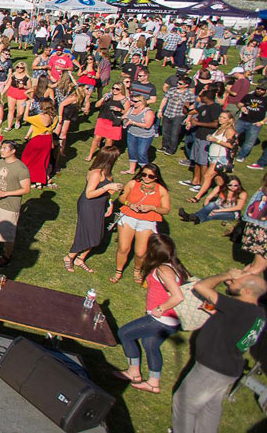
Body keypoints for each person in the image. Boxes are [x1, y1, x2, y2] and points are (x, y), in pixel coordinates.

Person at [171, 268, 267, 433]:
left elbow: (201, 286)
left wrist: (226, 274)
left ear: (247, 291)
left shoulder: (238, 307)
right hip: (229, 369)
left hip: (212, 369)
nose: (229, 282)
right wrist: (216, 309)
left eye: (235, 281)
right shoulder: (259, 313)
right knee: (210, 408)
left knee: (184, 403)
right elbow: (234, 323)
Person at [112, 233, 188, 394]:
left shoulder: (163, 270)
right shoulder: (174, 265)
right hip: (172, 321)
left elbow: (178, 296)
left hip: (161, 319)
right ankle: (154, 383)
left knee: (124, 333)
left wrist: (160, 309)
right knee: (150, 345)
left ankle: (133, 372)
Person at [65, 146, 123, 273]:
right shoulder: (96, 173)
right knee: (86, 232)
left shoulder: (108, 173)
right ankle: (70, 256)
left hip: (99, 205)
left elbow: (107, 193)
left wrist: (109, 203)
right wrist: (107, 187)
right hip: (89, 205)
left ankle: (81, 258)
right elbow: (89, 194)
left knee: (97, 234)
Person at [111, 163, 171, 284]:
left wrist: (152, 208)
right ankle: (118, 271)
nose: (146, 178)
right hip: (128, 217)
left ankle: (137, 270)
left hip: (147, 221)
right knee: (123, 247)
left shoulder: (161, 190)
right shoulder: (133, 184)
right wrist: (130, 204)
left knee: (140, 252)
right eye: (144, 174)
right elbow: (122, 198)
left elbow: (166, 210)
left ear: (156, 177)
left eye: (150, 176)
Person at [0, 141, 30, 267]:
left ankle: (7, 256)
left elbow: (26, 189)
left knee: (7, 234)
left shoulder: (21, 168)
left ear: (13, 151)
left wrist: (6, 193)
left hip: (10, 206)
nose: (1, 150)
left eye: (4, 148)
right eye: (1, 148)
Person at [180, 176, 247, 232]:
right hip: (218, 206)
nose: (233, 187)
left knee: (212, 214)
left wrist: (217, 211)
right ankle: (195, 218)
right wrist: (206, 209)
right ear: (226, 184)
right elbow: (208, 198)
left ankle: (191, 217)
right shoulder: (220, 188)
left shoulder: (242, 193)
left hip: (231, 213)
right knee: (211, 204)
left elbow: (238, 207)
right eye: (230, 185)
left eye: (236, 185)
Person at [21, 98, 58, 188]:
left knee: (27, 158)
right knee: (42, 160)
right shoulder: (55, 117)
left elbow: (25, 118)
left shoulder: (39, 117)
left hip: (37, 139)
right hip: (47, 139)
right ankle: (39, 181)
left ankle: (28, 178)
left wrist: (27, 107)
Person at [122, 94, 157, 176]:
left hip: (144, 136)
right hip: (131, 133)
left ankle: (145, 171)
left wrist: (133, 123)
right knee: (131, 151)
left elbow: (147, 125)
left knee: (141, 153)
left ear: (142, 102)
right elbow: (124, 116)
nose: (133, 103)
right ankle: (131, 169)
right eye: (132, 100)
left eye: (135, 101)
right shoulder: (131, 109)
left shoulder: (148, 112)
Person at [242, 175, 267, 275]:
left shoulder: (262, 190)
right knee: (259, 267)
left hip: (253, 228)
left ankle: (232, 280)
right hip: (264, 233)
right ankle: (235, 282)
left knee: (255, 264)